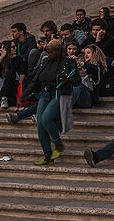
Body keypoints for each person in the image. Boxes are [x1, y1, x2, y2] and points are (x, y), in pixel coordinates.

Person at [30, 38, 78, 166]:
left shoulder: (69, 62)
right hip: (45, 94)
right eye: (47, 51)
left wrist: (67, 80)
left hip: (60, 94)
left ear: (58, 52)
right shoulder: (45, 62)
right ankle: (47, 156)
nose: (48, 54)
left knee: (46, 119)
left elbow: (77, 80)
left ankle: (58, 144)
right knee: (40, 124)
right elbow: (35, 76)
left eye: (50, 52)